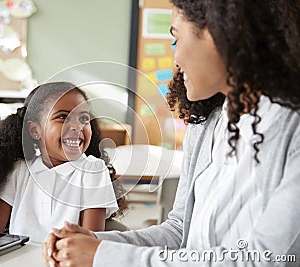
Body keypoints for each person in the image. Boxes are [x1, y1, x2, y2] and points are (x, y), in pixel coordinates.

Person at [43, 0, 300, 266]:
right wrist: (95, 243)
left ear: (218, 32)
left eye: (176, 38)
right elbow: (179, 231)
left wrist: (103, 255)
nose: (175, 57)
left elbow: (270, 258)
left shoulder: (290, 128)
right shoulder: (207, 122)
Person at [0, 82, 126, 243]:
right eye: (63, 117)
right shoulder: (19, 171)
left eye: (83, 119)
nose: (77, 126)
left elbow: (90, 246)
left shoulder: (93, 171)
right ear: (35, 130)